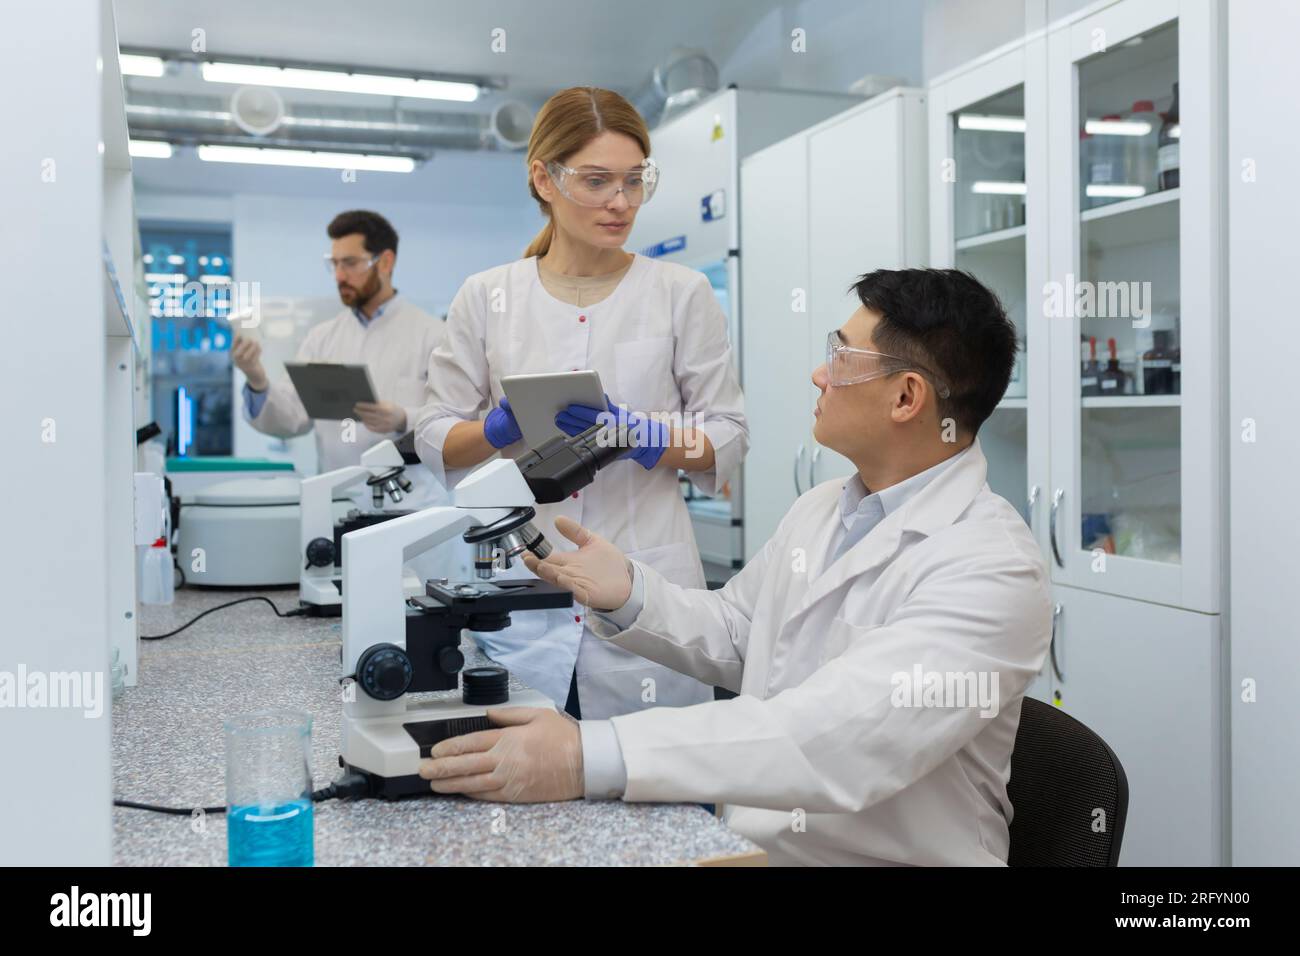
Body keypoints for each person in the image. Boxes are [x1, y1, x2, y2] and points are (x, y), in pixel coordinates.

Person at [417, 268, 1053, 867]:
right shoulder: (825, 507)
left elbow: (831, 739)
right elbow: (744, 633)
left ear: (907, 397)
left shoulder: (990, 567)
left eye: (840, 357)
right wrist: (629, 593)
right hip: (756, 846)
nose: (818, 375)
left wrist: (587, 753)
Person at [414, 87, 748, 721]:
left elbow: (728, 434)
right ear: (544, 177)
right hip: (522, 598)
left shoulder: (681, 292)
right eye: (596, 182)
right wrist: (494, 428)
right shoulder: (487, 296)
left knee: (661, 792)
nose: (620, 203)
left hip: (647, 589)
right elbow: (434, 435)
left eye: (634, 181)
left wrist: (643, 435)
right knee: (525, 785)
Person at [232, 210, 446, 476]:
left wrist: (403, 418)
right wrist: (257, 379)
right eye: (334, 264)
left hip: (414, 506)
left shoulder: (433, 335)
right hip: (337, 500)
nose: (339, 276)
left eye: (350, 263)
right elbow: (290, 417)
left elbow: (454, 422)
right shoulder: (321, 339)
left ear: (385, 262)